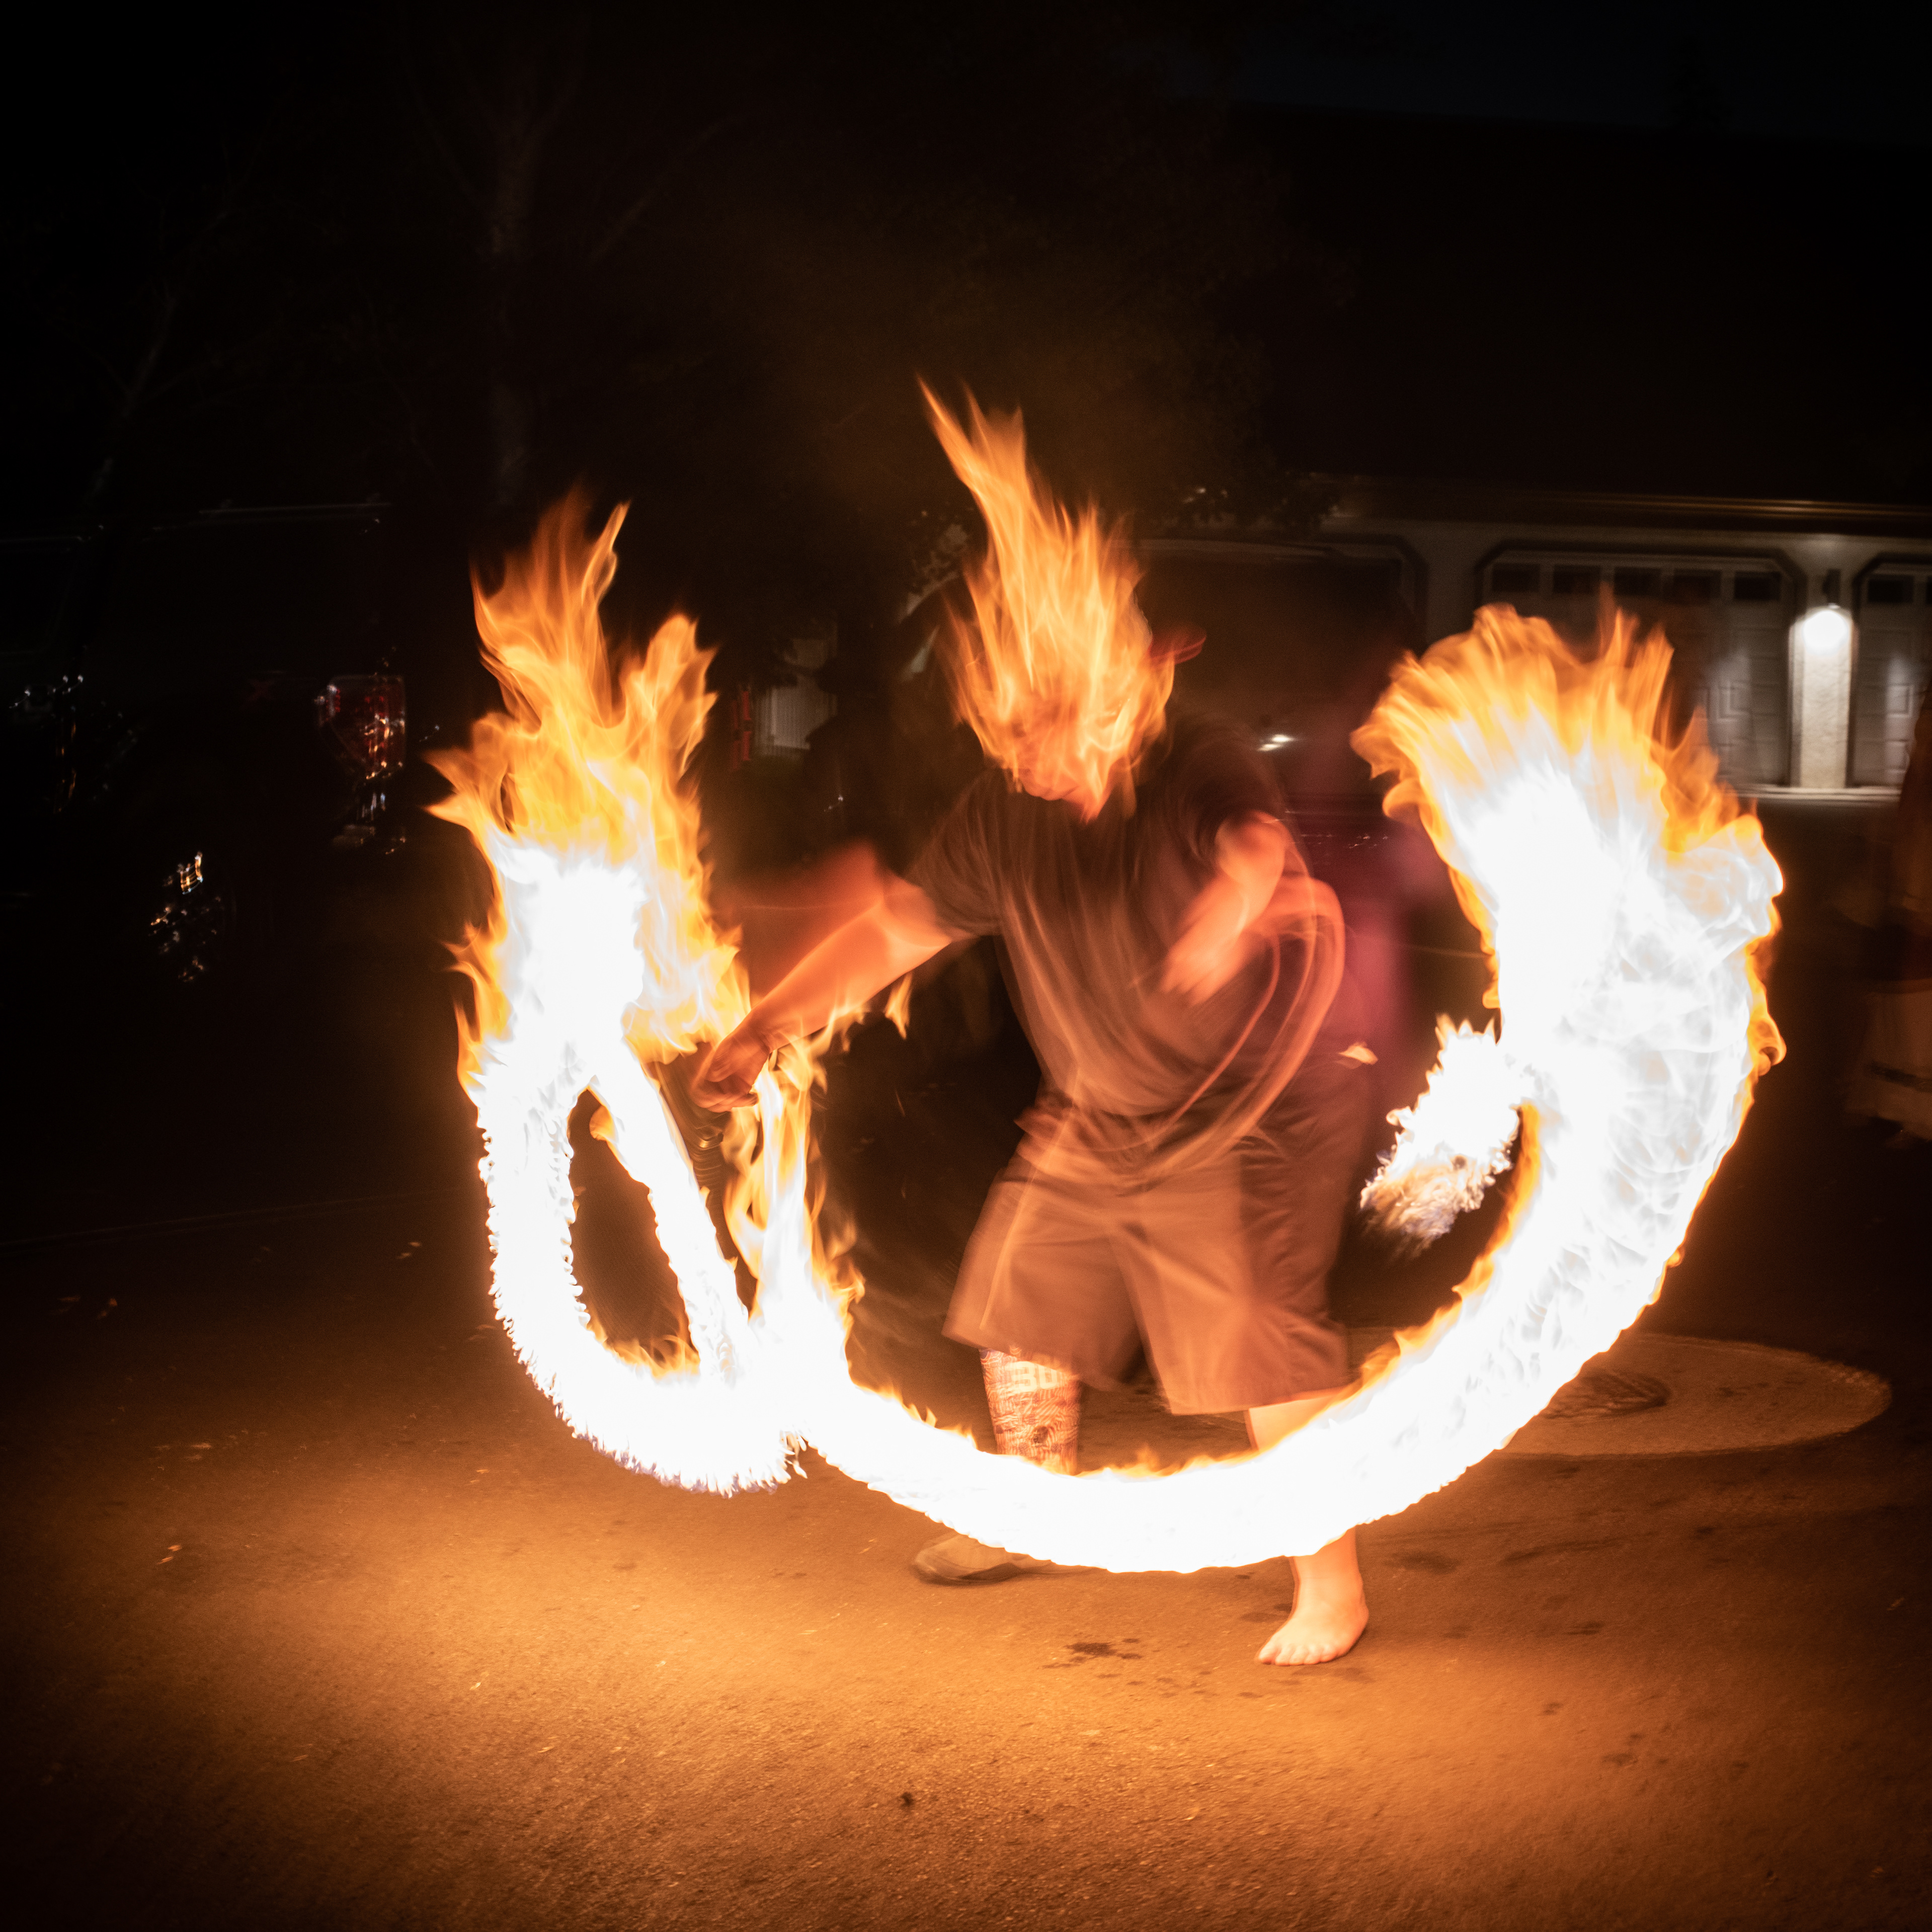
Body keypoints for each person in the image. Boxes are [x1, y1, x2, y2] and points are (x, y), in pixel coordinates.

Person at [696, 396, 1376, 1666]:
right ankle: (1030, 1510)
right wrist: (769, 1022)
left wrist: (1229, 913)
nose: (1015, 753)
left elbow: (1251, 841)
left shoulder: (1195, 761)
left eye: (1035, 728)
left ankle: (1330, 1586)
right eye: (1001, 730)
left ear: (1106, 703)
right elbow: (898, 931)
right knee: (1020, 1302)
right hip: (1095, 1117)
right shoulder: (999, 818)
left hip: (1230, 1123)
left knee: (1259, 1355)